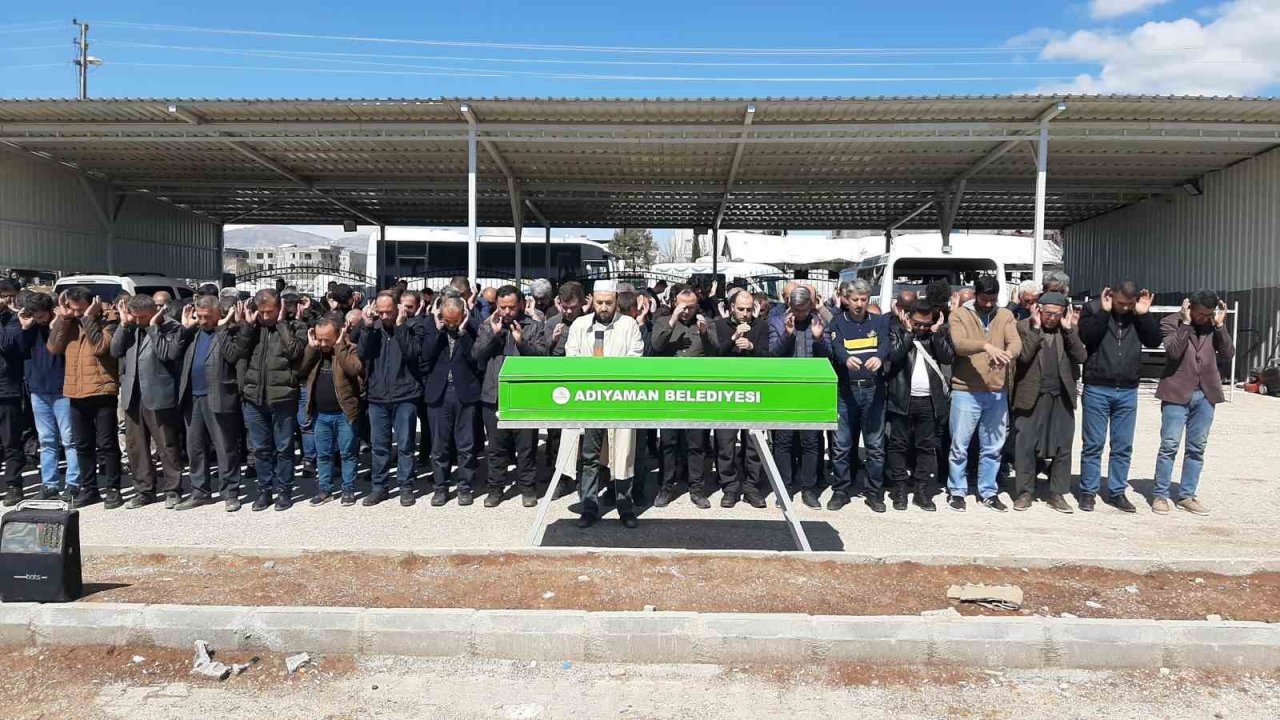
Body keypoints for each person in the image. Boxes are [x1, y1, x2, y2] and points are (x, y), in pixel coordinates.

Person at [563, 281, 645, 528]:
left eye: (609, 303)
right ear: (593, 301)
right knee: (589, 456)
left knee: (623, 455)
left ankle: (625, 506)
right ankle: (589, 506)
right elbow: (572, 357)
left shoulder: (628, 325)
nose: (604, 308)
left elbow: (635, 358)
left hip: (620, 402)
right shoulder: (580, 325)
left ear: (616, 302)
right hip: (591, 402)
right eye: (599, 303)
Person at [1077, 282, 1161, 513]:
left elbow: (1154, 341)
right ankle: (1088, 491)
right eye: (1120, 303)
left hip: (1127, 390)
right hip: (1097, 386)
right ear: (1111, 295)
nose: (1124, 308)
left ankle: (1116, 492)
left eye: (1129, 304)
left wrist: (1144, 315)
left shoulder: (1137, 314)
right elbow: (1088, 337)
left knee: (1123, 446)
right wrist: (1104, 312)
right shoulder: (1093, 309)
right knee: (1093, 444)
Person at [1152, 292, 1234, 516]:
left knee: (1197, 448)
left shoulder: (1212, 325)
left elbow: (1228, 353)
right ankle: (1160, 494)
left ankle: (1187, 495)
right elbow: (1173, 351)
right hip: (1176, 392)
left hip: (1206, 393)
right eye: (1199, 314)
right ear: (1189, 307)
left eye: (1208, 314)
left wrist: (1219, 326)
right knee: (1169, 445)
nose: (1203, 318)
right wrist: (1186, 323)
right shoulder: (1170, 322)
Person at [946, 275, 1021, 512]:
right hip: (965, 391)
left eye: (993, 299)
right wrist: (986, 345)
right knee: (960, 445)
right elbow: (959, 344)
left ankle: (988, 491)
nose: (989, 304)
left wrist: (1009, 355)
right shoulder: (959, 314)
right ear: (976, 295)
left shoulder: (1005, 315)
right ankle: (957, 491)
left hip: (996, 391)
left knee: (993, 447)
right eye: (984, 299)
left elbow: (1016, 342)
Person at [47, 287, 123, 509]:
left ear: (92, 304)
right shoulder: (68, 322)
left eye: (81, 309)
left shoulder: (109, 319)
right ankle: (89, 488)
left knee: (107, 444)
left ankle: (113, 488)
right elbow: (53, 347)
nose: (77, 313)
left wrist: (89, 318)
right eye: (73, 308)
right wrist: (62, 318)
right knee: (82, 444)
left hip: (102, 390)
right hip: (75, 391)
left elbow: (101, 347)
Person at [474, 285, 548, 508]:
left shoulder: (534, 327)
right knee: (496, 448)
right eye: (502, 307)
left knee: (526, 447)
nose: (506, 312)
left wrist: (521, 342)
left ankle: (527, 488)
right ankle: (495, 488)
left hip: (523, 396)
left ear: (522, 305)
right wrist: (494, 336)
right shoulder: (488, 326)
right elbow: (476, 355)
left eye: (511, 307)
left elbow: (543, 357)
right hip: (494, 395)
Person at [1010, 293, 1086, 513]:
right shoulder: (1023, 327)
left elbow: (1081, 357)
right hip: (1031, 396)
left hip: (1061, 397)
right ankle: (1025, 492)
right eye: (1047, 313)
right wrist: (1035, 329)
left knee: (1063, 446)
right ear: (1038, 310)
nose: (1052, 318)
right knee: (1025, 446)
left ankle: (1057, 493)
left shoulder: (1068, 329)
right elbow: (1023, 357)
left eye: (1057, 314)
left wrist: (1070, 329)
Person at [111, 294, 188, 509]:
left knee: (166, 444)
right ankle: (144, 489)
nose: (137, 321)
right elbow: (115, 351)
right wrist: (123, 325)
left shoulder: (171, 327)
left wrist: (153, 328)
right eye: (134, 317)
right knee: (136, 446)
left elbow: (168, 355)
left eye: (141, 317)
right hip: (132, 393)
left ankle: (173, 489)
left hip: (158, 394)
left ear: (153, 311)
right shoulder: (131, 327)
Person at [176, 296, 249, 511]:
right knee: (195, 447)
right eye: (200, 317)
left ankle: (230, 492)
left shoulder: (229, 332)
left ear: (219, 314)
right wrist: (185, 329)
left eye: (208, 317)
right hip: (193, 398)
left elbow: (234, 356)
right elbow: (172, 353)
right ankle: (200, 491)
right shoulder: (193, 333)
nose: (203, 321)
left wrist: (222, 328)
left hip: (218, 396)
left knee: (225, 447)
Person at [827, 279, 892, 513]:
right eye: (855, 299)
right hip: (847, 390)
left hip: (873, 389)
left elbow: (886, 343)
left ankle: (874, 492)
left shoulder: (879, 321)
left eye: (863, 300)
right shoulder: (837, 322)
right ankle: (841, 489)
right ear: (846, 299)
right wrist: (846, 359)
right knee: (842, 444)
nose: (859, 304)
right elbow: (837, 349)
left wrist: (880, 356)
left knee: (875, 445)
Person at [650, 287, 718, 509]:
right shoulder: (662, 321)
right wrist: (673, 319)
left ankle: (697, 488)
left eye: (691, 306)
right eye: (683, 306)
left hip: (696, 392)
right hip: (670, 391)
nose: (688, 311)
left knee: (696, 443)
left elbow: (717, 353)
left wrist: (705, 333)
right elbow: (656, 346)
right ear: (674, 303)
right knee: (668, 442)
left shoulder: (706, 322)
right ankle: (666, 486)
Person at [239, 288, 305, 512]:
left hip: (283, 398)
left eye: (270, 311)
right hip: (254, 398)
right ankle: (264, 490)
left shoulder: (296, 327)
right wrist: (247, 327)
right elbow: (237, 352)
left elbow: (296, 352)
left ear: (280, 308)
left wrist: (282, 325)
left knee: (284, 448)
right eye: (262, 312)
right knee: (260, 449)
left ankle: (284, 491)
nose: (266, 316)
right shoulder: (252, 328)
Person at [885, 300, 953, 511]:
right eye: (917, 323)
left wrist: (937, 332)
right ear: (907, 318)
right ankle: (900, 489)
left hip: (930, 401)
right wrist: (907, 333)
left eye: (926, 324)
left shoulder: (935, 334)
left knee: (926, 447)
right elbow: (894, 356)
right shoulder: (895, 330)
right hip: (902, 398)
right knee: (898, 445)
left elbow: (948, 357)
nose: (921, 328)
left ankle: (922, 489)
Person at [358, 291, 424, 507]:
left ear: (398, 308)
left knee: (405, 444)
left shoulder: (412, 326)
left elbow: (412, 353)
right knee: (380, 445)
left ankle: (406, 487)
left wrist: (400, 326)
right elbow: (363, 353)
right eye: (381, 312)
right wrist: (367, 327)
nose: (385, 316)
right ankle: (380, 487)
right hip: (378, 396)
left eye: (389, 312)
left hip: (405, 395)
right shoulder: (373, 328)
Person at [768, 285, 829, 508]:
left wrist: (819, 339)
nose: (801, 314)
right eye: (797, 309)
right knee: (783, 441)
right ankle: (784, 487)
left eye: (805, 309)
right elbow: (772, 355)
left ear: (811, 306)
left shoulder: (819, 322)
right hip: (785, 390)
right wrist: (788, 334)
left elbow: (829, 356)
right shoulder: (776, 322)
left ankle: (808, 488)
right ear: (790, 305)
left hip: (811, 390)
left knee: (811, 442)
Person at [16, 292, 79, 502]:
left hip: (62, 389)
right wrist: (25, 328)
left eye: (41, 315)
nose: (39, 319)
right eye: (35, 315)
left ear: (50, 310)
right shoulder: (30, 327)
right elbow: (18, 349)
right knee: (47, 440)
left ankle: (73, 483)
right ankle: (49, 484)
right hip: (38, 390)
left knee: (69, 439)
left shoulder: (62, 324)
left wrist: (56, 324)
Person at [421, 297, 482, 506]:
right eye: (448, 321)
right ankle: (440, 487)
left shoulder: (472, 329)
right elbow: (424, 357)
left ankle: (465, 486)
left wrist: (463, 332)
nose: (451, 325)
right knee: (439, 444)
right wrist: (438, 331)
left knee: (466, 444)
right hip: (439, 392)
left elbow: (475, 358)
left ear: (463, 316)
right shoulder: (432, 328)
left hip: (464, 392)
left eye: (455, 321)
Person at [712, 288, 770, 508]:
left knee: (753, 443)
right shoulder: (720, 326)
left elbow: (768, 357)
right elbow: (715, 356)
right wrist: (734, 338)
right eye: (741, 309)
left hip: (753, 391)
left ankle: (752, 487)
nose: (745, 314)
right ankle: (730, 487)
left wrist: (752, 347)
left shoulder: (761, 326)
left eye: (748, 309)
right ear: (731, 308)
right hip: (727, 392)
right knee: (725, 443)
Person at [300, 314, 365, 506]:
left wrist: (339, 346)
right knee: (324, 454)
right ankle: (325, 490)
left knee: (347, 453)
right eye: (319, 339)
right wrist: (311, 348)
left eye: (326, 340)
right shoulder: (315, 352)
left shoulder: (350, 349)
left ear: (337, 335)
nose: (322, 343)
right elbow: (301, 370)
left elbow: (354, 369)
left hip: (344, 413)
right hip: (321, 414)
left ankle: (348, 490)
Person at [0, 281, 26, 505]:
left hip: (7, 389)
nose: (6, 300)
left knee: (11, 442)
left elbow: (6, 344)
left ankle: (14, 485)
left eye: (9, 297)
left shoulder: (14, 320)